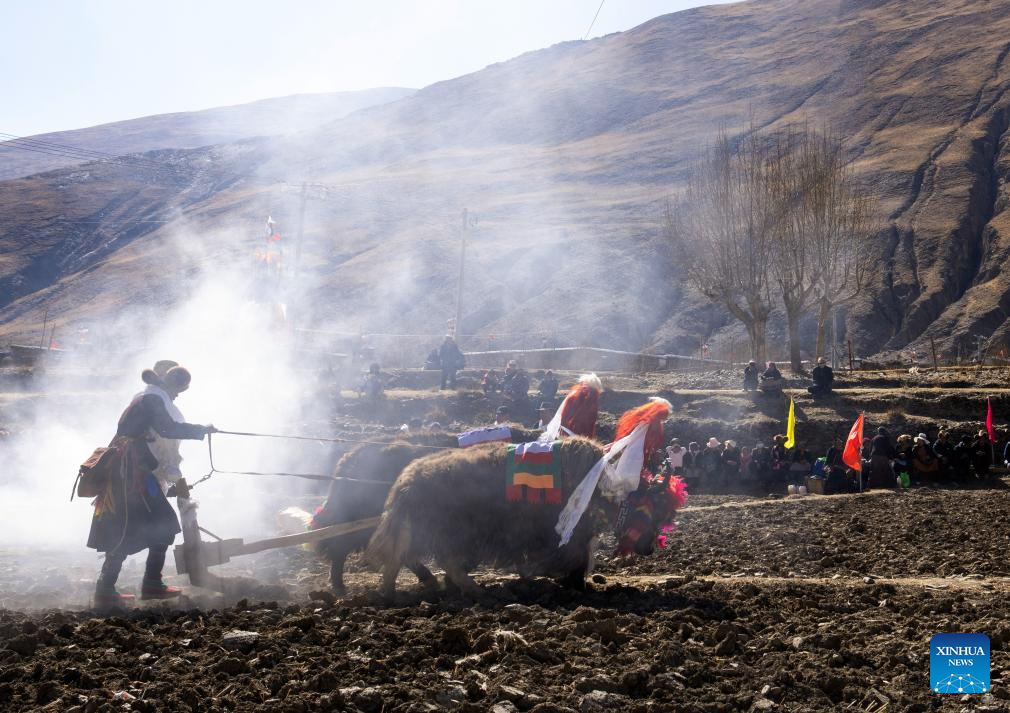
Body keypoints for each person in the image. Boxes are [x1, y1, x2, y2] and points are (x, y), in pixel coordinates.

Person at [88, 367, 215, 608]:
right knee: (145, 525)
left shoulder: (146, 396)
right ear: (172, 386)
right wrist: (202, 430)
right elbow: (169, 429)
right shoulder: (153, 399)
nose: (177, 396)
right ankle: (135, 585)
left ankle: (135, 585)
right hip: (131, 474)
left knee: (138, 526)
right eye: (179, 391)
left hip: (133, 472)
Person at [552, 373, 603, 439]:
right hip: (578, 435)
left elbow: (564, 418)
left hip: (567, 433)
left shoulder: (574, 395)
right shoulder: (592, 397)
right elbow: (590, 423)